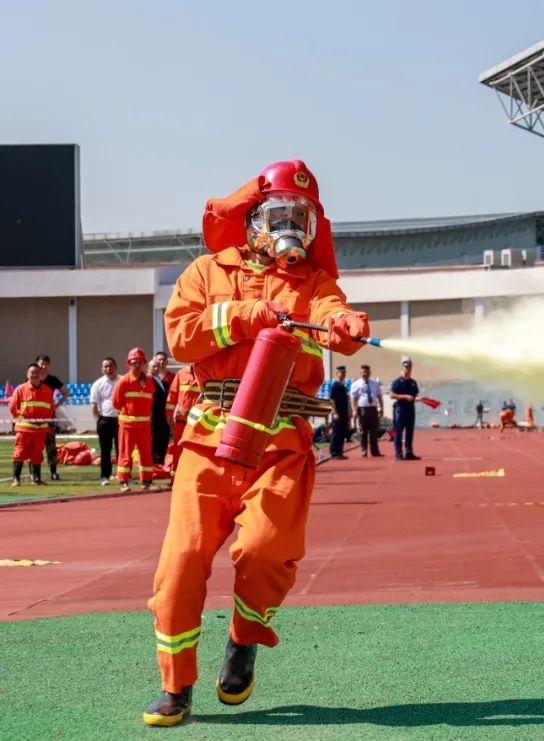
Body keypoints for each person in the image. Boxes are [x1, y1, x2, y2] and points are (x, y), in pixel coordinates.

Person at [144, 160, 370, 727]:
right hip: (208, 439)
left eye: (302, 216)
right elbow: (181, 337)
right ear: (252, 220)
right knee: (180, 565)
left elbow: (330, 314)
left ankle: (244, 637)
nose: (290, 225)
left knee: (268, 551)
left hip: (281, 442)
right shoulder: (204, 272)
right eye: (280, 213)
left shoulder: (314, 283)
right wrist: (246, 315)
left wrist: (345, 323)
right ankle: (176, 687)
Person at [113, 348, 157, 491]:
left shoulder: (149, 382)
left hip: (144, 424)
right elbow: (116, 402)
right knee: (125, 453)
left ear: (144, 363)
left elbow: (151, 401)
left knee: (146, 453)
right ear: (128, 363)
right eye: (133, 362)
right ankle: (123, 482)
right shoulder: (124, 381)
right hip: (128, 424)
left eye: (139, 362)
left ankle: (147, 481)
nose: (136, 365)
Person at [8, 363, 55, 486]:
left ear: (41, 375)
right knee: (20, 452)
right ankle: (16, 479)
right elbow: (13, 407)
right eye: (32, 373)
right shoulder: (20, 389)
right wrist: (20, 417)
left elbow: (50, 408)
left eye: (37, 373)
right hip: (24, 428)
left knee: (37, 454)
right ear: (27, 375)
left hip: (40, 428)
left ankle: (36, 478)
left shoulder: (47, 390)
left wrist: (44, 419)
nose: (34, 375)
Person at [35, 354, 70, 481]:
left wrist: (55, 406)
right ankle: (35, 474)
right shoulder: (32, 378)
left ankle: (53, 472)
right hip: (34, 418)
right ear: (36, 364)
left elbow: (66, 393)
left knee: (51, 446)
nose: (43, 366)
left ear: (49, 365)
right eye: (41, 363)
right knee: (35, 447)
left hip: (49, 417)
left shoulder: (52, 379)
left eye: (45, 364)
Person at [90, 357, 121, 485]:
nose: (108, 369)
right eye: (106, 366)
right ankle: (105, 477)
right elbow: (94, 405)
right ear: (102, 369)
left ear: (116, 367)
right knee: (105, 451)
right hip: (105, 421)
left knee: (122, 450)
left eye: (110, 366)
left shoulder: (123, 380)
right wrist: (98, 421)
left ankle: (123, 476)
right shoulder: (98, 384)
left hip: (121, 420)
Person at [165, 366, 200, 473]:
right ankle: (174, 475)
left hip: (198, 422)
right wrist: (169, 415)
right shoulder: (181, 374)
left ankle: (191, 475)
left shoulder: (205, 372)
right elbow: (172, 395)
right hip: (181, 420)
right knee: (177, 448)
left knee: (195, 450)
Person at [390, 358, 421, 460]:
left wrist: (420, 399)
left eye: (409, 367)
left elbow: (414, 395)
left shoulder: (413, 382)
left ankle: (409, 452)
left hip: (410, 409)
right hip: (400, 409)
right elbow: (392, 395)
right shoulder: (397, 382)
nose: (407, 369)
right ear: (402, 368)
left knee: (409, 432)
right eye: (405, 367)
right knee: (398, 432)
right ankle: (399, 453)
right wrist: (405, 397)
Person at [350, 364, 383, 457]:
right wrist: (353, 410)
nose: (365, 374)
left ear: (370, 373)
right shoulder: (356, 384)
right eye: (363, 372)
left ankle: (375, 451)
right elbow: (353, 398)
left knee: (374, 431)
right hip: (362, 409)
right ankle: (364, 450)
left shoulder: (375, 383)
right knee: (363, 431)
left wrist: (381, 408)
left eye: (367, 372)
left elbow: (379, 396)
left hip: (373, 409)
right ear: (360, 373)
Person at [150, 354, 172, 465]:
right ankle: (154, 464)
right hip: (153, 416)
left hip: (164, 416)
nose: (157, 368)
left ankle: (160, 463)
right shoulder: (148, 380)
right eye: (154, 366)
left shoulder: (165, 380)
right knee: (153, 440)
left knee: (164, 439)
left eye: (157, 366)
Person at [328, 366, 350, 459]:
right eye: (341, 373)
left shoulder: (343, 386)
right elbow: (332, 400)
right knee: (336, 433)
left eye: (344, 373)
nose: (343, 375)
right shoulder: (335, 386)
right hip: (337, 412)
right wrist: (335, 412)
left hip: (344, 413)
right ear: (337, 374)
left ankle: (339, 452)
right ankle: (334, 453)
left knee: (342, 433)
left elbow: (346, 401)